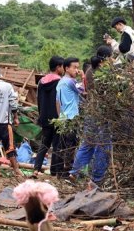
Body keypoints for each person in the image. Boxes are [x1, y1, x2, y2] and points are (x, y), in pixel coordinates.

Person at [69, 54, 112, 190]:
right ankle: (96, 179)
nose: (111, 60)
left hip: (91, 110)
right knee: (103, 145)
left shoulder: (89, 72)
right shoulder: (104, 74)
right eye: (110, 57)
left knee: (88, 143)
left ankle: (75, 172)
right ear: (102, 60)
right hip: (102, 112)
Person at [33, 56, 64, 177]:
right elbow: (60, 101)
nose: (63, 69)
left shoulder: (41, 81)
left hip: (44, 117)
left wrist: (41, 115)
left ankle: (36, 169)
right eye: (62, 66)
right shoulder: (60, 82)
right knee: (56, 145)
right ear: (58, 67)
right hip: (56, 117)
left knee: (44, 144)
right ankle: (54, 171)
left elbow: (39, 100)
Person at [55, 57, 81, 174]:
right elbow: (84, 90)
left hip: (63, 117)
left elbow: (57, 102)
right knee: (71, 146)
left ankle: (61, 171)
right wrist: (84, 76)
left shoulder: (60, 82)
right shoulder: (71, 82)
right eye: (75, 67)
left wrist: (59, 117)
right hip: (72, 117)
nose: (77, 70)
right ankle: (68, 171)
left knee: (63, 145)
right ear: (66, 68)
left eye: (78, 68)